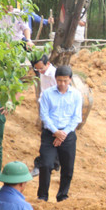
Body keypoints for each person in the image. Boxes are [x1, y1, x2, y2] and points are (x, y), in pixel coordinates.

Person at [37, 65, 82, 202]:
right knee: (46, 164)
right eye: (59, 80)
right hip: (50, 133)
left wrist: (63, 134)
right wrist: (56, 132)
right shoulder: (47, 94)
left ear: (70, 80)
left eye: (65, 81)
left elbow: (77, 117)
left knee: (68, 167)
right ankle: (43, 195)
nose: (62, 84)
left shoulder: (76, 95)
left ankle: (63, 195)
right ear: (55, 79)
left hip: (67, 134)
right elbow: (44, 115)